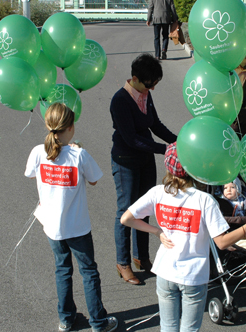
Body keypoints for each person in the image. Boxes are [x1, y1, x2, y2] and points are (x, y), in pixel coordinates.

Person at [121, 143, 246, 332]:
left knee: (167, 326)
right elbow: (222, 242)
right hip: (193, 275)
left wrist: (157, 231)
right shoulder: (205, 200)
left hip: (165, 271)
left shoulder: (158, 192)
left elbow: (126, 218)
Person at [24, 103, 118, 332]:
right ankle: (98, 322)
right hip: (77, 227)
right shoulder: (78, 154)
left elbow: (30, 174)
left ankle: (66, 319)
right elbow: (94, 180)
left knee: (62, 270)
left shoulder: (38, 152)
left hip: (52, 227)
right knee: (88, 272)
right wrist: (75, 151)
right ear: (70, 127)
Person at [110, 53, 177, 285]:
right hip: (125, 160)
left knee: (145, 208)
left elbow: (155, 124)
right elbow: (130, 139)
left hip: (145, 159)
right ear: (136, 78)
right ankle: (123, 262)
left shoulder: (146, 96)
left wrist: (177, 142)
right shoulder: (120, 100)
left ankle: (142, 257)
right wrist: (166, 150)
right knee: (126, 211)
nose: (153, 89)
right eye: (150, 84)